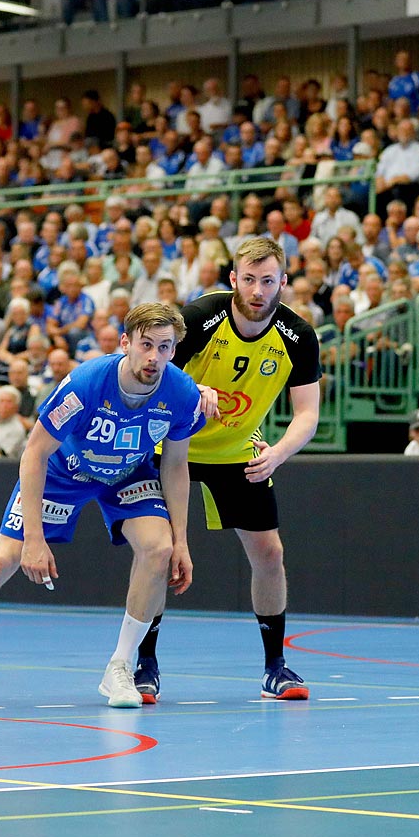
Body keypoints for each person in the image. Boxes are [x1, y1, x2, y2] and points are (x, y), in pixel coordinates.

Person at [0, 303, 206, 711]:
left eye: (165, 347)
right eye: (146, 344)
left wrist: (183, 540)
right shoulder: (85, 384)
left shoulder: (183, 394)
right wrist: (33, 539)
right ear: (125, 343)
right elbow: (34, 453)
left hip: (127, 475)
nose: (154, 356)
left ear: (174, 350)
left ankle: (120, 666)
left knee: (159, 548)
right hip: (65, 474)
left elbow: (174, 463)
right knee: (2, 560)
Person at [121, 237, 322, 703]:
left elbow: (307, 415)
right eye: (248, 279)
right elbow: (153, 367)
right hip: (170, 445)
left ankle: (275, 667)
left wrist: (279, 452)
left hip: (237, 452)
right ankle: (145, 663)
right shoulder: (200, 318)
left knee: (270, 554)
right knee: (158, 551)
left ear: (282, 283)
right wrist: (192, 389)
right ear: (233, 279)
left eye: (267, 281)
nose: (257, 290)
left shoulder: (298, 336)